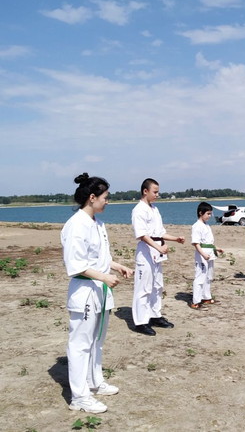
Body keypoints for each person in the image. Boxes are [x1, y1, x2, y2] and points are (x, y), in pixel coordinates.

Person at [62, 173, 133, 413]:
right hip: (85, 291)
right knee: (80, 344)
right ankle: (79, 397)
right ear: (92, 197)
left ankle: (94, 381)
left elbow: (100, 258)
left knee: (97, 340)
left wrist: (118, 266)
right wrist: (103, 277)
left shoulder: (98, 224)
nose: (107, 201)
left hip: (100, 290)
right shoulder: (76, 225)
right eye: (105, 197)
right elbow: (75, 264)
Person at [131, 178, 185, 335]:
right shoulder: (139, 210)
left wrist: (175, 239)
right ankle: (141, 322)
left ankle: (155, 315)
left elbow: (160, 232)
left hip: (157, 251)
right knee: (144, 287)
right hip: (146, 251)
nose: (157, 195)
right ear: (145, 191)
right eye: (155, 192)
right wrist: (158, 247)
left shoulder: (154, 209)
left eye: (158, 192)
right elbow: (142, 235)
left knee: (157, 285)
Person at [189, 202, 224, 309]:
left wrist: (216, 248)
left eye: (210, 214)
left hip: (210, 253)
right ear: (201, 213)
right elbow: (196, 243)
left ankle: (206, 297)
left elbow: (209, 242)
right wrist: (203, 254)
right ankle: (196, 300)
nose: (209, 216)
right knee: (200, 276)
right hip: (202, 254)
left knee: (209, 276)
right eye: (208, 214)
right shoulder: (196, 226)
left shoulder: (207, 226)